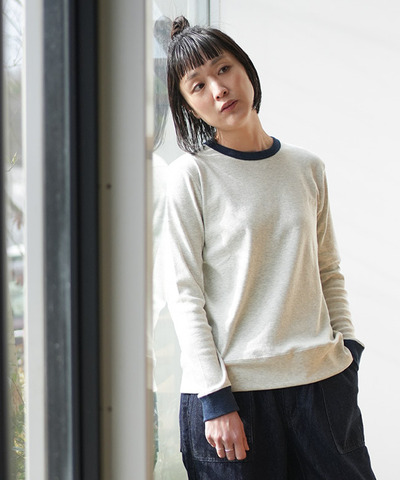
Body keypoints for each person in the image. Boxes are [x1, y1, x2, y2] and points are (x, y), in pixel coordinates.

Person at [164, 15, 376, 479]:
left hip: (321, 385)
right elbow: (183, 294)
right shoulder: (191, 177)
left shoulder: (306, 167)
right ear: (189, 107)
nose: (218, 89)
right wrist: (214, 397)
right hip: (232, 399)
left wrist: (348, 353)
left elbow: (327, 268)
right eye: (198, 85)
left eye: (223, 69)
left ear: (246, 70)